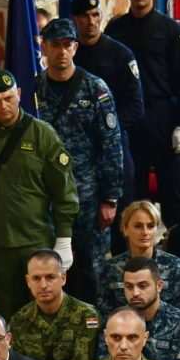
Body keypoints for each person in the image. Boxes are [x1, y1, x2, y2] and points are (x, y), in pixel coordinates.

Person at [0, 69, 79, 318]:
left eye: (9, 98)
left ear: (19, 94)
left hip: (36, 241)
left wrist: (64, 238)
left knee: (45, 311)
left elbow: (64, 191)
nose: (4, 106)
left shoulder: (42, 135)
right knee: (6, 315)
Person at [35, 18, 124, 305]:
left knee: (91, 271)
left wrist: (110, 198)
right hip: (45, 198)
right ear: (44, 47)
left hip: (87, 195)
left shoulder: (94, 89)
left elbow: (111, 146)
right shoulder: (33, 90)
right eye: (55, 45)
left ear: (75, 47)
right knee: (51, 269)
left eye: (67, 45)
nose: (62, 52)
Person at [107, 0, 180, 227]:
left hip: (164, 118)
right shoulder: (116, 30)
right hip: (132, 122)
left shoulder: (170, 30)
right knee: (135, 193)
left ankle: (179, 251)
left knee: (172, 193)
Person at [71, 0, 144, 208]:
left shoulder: (120, 55)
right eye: (84, 16)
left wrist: (106, 129)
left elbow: (135, 106)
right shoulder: (69, 56)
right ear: (75, 19)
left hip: (114, 147)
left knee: (122, 215)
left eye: (95, 15)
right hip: (78, 149)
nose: (91, 22)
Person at [97, 256, 180, 360]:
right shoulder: (115, 323)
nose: (135, 293)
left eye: (142, 286)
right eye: (129, 287)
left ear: (159, 286)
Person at [8, 250, 100, 360]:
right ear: (28, 281)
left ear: (63, 278)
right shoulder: (19, 320)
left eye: (50, 277)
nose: (43, 285)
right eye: (36, 278)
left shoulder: (86, 316)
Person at [98, 200, 180, 316]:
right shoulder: (110, 268)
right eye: (138, 226)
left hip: (166, 330)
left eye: (150, 226)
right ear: (125, 229)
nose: (145, 232)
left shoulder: (174, 266)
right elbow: (104, 312)